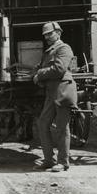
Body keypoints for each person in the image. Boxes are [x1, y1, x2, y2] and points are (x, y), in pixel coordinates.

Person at [33, 22, 78, 172]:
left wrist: (40, 74)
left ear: (58, 32)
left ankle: (63, 162)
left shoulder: (64, 48)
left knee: (62, 128)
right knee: (42, 123)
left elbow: (59, 69)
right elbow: (44, 68)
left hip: (63, 91)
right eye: (45, 35)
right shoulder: (49, 50)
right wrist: (38, 73)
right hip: (52, 93)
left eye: (50, 34)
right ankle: (48, 160)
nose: (47, 37)